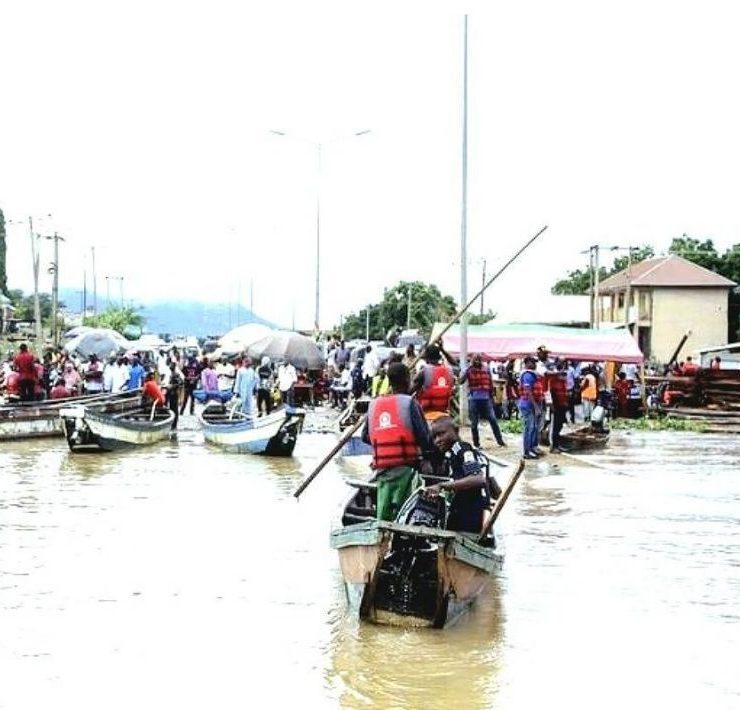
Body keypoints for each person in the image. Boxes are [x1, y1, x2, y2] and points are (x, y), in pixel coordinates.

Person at [361, 362, 435, 522]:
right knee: (404, 511)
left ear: (389, 381)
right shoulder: (410, 403)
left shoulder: (374, 404)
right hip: (406, 467)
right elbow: (424, 437)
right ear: (408, 380)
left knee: (383, 511)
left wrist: (384, 441)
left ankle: (382, 532)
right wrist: (426, 458)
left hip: (381, 469)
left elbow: (365, 436)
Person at [425, 417, 501, 534]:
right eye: (434, 437)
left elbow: (477, 479)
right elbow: (491, 483)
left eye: (441, 434)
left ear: (456, 431)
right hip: (479, 510)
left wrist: (442, 486)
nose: (437, 440)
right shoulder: (470, 453)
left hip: (469, 511)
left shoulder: (460, 449)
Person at [460, 353, 505, 448]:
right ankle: (476, 444)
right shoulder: (469, 370)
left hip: (486, 398)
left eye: (479, 359)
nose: (477, 361)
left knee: (493, 420)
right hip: (474, 399)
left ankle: (500, 441)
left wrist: (492, 397)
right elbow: (461, 381)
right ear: (472, 360)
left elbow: (490, 383)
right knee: (474, 423)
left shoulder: (486, 369)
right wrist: (467, 370)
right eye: (475, 359)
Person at [412, 343, 455, 422]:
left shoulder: (424, 371)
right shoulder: (449, 371)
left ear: (426, 358)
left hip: (426, 415)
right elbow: (456, 364)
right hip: (444, 413)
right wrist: (443, 350)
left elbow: (409, 391)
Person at [518, 355, 544, 460]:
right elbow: (528, 392)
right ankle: (526, 452)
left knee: (533, 427)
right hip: (527, 404)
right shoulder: (527, 375)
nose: (535, 364)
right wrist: (536, 406)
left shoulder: (533, 375)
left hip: (532, 404)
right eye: (532, 362)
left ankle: (532, 448)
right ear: (527, 363)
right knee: (529, 428)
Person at [548, 362, 569, 452]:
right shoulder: (553, 381)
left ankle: (557, 444)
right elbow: (552, 394)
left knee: (560, 425)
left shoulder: (563, 381)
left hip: (562, 406)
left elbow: (564, 394)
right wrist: (552, 405)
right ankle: (554, 446)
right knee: (555, 426)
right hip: (556, 406)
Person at [162, 361, 184, 429]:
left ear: (174, 367)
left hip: (174, 394)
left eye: (171, 365)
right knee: (169, 408)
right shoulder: (171, 374)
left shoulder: (176, 374)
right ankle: (170, 423)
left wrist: (173, 386)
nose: (170, 367)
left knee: (174, 409)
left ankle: (174, 424)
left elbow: (181, 383)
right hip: (170, 393)